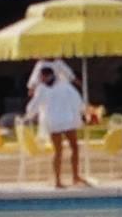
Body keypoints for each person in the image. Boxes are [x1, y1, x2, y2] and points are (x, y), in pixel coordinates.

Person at [30, 58, 89, 188]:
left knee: (72, 148)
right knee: (59, 151)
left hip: (65, 121)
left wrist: (83, 111)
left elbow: (76, 100)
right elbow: (34, 105)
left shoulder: (61, 86)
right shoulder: (44, 88)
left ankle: (74, 176)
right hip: (57, 122)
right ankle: (59, 179)